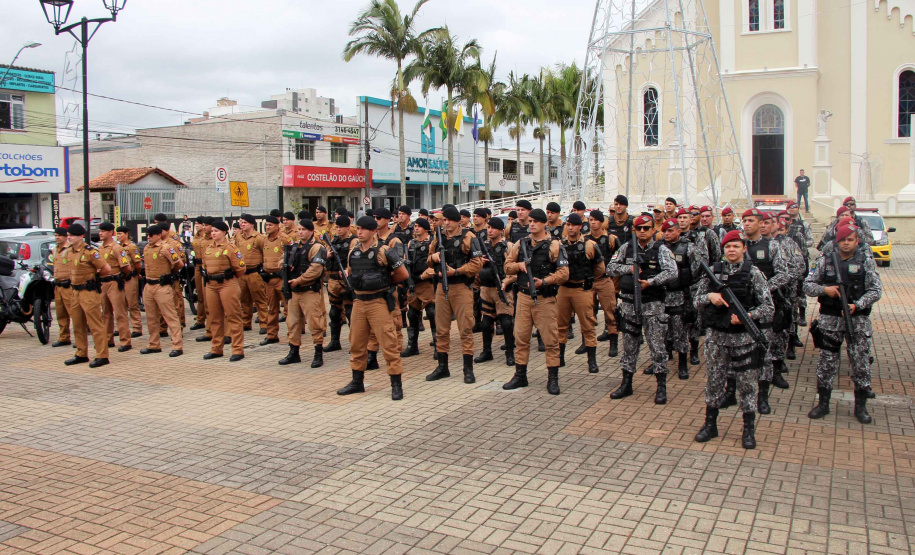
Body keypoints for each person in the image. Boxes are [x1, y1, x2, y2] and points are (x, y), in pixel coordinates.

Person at [694, 230, 774, 450]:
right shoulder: (713, 272)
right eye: (728, 246)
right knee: (714, 382)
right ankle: (710, 424)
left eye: (736, 246)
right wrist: (709, 297)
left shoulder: (754, 274)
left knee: (747, 385)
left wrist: (749, 316)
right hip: (717, 339)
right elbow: (696, 300)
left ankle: (748, 429)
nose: (731, 250)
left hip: (744, 340)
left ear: (743, 249)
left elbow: (768, 307)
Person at [804, 223, 882, 424]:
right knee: (827, 363)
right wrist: (825, 290)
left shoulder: (866, 261)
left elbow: (876, 290)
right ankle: (823, 403)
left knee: (861, 364)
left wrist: (858, 304)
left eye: (850, 240)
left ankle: (861, 406)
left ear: (857, 241)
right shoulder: (825, 260)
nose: (846, 243)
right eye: (842, 240)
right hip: (830, 319)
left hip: (857, 320)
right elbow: (808, 285)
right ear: (836, 242)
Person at [336, 216, 410, 401]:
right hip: (359, 301)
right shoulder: (353, 252)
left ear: (373, 231)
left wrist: (384, 283)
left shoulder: (384, 251)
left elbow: (402, 274)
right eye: (358, 228)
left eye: (363, 229)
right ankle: (357, 382)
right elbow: (350, 271)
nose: (359, 232)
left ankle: (396, 384)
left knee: (388, 343)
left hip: (378, 301)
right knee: (356, 343)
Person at [607, 214, 677, 403]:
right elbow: (610, 267)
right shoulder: (626, 248)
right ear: (634, 230)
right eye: (639, 228)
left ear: (654, 229)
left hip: (652, 305)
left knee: (657, 347)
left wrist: (652, 282)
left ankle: (661, 386)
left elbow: (672, 271)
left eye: (647, 228)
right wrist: (628, 269)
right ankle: (626, 383)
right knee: (629, 347)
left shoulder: (660, 249)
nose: (643, 231)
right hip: (629, 304)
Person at [503, 208, 569, 394]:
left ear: (544, 224)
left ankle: (553, 378)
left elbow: (564, 273)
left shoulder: (554, 246)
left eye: (536, 221)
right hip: (523, 297)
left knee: (550, 340)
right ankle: (520, 375)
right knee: (521, 338)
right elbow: (507, 266)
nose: (531, 224)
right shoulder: (520, 244)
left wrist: (545, 281)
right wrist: (519, 265)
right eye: (530, 221)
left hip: (545, 299)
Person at [741, 208, 792, 414]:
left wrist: (762, 288)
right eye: (744, 220)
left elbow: (783, 274)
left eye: (751, 220)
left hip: (764, 308)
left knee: (764, 354)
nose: (747, 224)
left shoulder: (771, 246)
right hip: (742, 307)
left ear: (761, 223)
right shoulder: (736, 246)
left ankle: (763, 397)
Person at [427, 205, 483, 384]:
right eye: (444, 220)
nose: (446, 223)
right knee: (441, 329)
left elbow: (477, 264)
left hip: (461, 287)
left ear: (458, 221)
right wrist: (434, 258)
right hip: (442, 288)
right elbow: (428, 258)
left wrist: (457, 271)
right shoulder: (439, 237)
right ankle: (443, 367)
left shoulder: (468, 237)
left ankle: (468, 369)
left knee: (465, 329)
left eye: (449, 220)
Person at [279, 219, 328, 367]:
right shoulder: (294, 247)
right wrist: (287, 265)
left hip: (309, 291)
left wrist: (299, 280)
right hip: (294, 292)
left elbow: (315, 269)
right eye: (299, 229)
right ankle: (294, 352)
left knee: (315, 323)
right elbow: (281, 262)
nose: (300, 232)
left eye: (304, 229)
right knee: (292, 323)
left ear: (311, 231)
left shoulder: (317, 247)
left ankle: (318, 353)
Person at [557, 213, 602, 373]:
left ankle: (592, 361)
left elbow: (600, 268)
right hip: (563, 289)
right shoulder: (559, 245)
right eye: (567, 225)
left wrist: (589, 282)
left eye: (573, 225)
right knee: (561, 326)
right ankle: (560, 358)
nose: (570, 228)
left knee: (588, 325)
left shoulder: (590, 245)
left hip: (582, 289)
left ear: (580, 227)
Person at [64, 223, 111, 367]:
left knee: (95, 324)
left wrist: (94, 279)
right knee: (77, 324)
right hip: (75, 291)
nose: (69, 237)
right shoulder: (69, 252)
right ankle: (81, 353)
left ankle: (102, 355)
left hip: (88, 292)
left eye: (71, 235)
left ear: (81, 236)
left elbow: (106, 269)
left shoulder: (90, 252)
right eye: (68, 235)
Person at [660, 218, 701, 379]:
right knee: (661, 332)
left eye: (670, 231)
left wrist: (691, 296)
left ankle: (683, 364)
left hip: (680, 296)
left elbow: (697, 272)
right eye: (665, 231)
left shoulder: (689, 248)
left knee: (680, 333)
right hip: (662, 296)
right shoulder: (660, 248)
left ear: (678, 231)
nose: (667, 234)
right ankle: (661, 360)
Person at [201, 220, 246, 361]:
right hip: (211, 284)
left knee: (233, 316)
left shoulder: (230, 248)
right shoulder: (208, 247)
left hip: (227, 284)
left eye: (216, 231)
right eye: (212, 231)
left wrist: (229, 279)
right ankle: (216, 348)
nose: (213, 233)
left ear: (224, 232)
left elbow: (241, 268)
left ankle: (237, 349)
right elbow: (204, 266)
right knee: (214, 317)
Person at [474, 216, 516, 366]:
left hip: (503, 289)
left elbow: (514, 269)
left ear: (501, 230)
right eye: (488, 228)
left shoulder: (508, 246)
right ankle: (487, 351)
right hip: (486, 289)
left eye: (493, 228)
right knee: (485, 323)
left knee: (506, 322)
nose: (490, 230)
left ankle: (510, 353)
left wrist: (507, 281)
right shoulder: (482, 246)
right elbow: (473, 266)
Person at [140, 224, 184, 358]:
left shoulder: (166, 248)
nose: (149, 238)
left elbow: (179, 264)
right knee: (151, 317)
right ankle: (154, 344)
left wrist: (169, 274)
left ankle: (177, 345)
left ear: (159, 235)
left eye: (151, 235)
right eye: (147, 235)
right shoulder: (147, 248)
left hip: (162, 285)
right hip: (149, 285)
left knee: (170, 316)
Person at [402, 217, 436, 358]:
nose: (416, 228)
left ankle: (438, 345)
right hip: (414, 282)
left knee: (432, 313)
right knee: (412, 314)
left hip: (427, 283)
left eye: (419, 226)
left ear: (425, 228)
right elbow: (406, 260)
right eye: (415, 226)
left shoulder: (431, 242)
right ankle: (412, 346)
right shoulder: (411, 243)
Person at [97, 222, 133, 353]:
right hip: (102, 283)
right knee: (105, 313)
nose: (100, 233)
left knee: (120, 313)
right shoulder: (100, 249)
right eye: (100, 231)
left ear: (110, 233)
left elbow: (126, 267)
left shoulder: (117, 248)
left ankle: (125, 341)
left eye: (103, 231)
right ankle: (108, 339)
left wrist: (121, 278)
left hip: (114, 282)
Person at [588, 210, 620, 356]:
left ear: (601, 222)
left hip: (605, 279)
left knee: (610, 312)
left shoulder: (610, 239)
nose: (593, 222)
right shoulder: (585, 239)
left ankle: (613, 343)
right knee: (587, 314)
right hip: (588, 281)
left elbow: (618, 257)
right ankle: (586, 343)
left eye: (596, 220)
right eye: (591, 220)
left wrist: (612, 275)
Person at [259, 216, 292, 346]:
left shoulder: (284, 239)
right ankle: (271, 335)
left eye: (270, 225)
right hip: (269, 278)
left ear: (277, 226)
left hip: (281, 278)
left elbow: (290, 257)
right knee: (272, 309)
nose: (268, 227)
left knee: (288, 308)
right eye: (266, 225)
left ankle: (292, 336)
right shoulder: (264, 240)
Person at [234, 214, 270, 334]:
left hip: (255, 273)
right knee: (244, 300)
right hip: (242, 273)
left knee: (259, 299)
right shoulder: (238, 237)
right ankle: (246, 322)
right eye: (241, 222)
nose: (242, 224)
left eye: (244, 222)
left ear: (251, 224)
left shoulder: (259, 238)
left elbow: (265, 253)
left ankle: (264, 323)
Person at [324, 216, 355, 352]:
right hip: (333, 280)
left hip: (346, 281)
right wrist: (328, 255)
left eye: (341, 227)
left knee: (350, 312)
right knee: (334, 313)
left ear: (348, 227)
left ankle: (355, 343)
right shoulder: (334, 240)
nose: (338, 230)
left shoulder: (353, 241)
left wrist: (348, 270)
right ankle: (334, 341)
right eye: (337, 227)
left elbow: (352, 258)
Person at [785, 202, 813, 328]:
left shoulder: (803, 225)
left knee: (800, 290)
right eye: (790, 207)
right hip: (787, 263)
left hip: (801, 261)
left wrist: (800, 246)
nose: (793, 209)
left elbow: (811, 241)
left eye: (795, 207)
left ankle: (802, 314)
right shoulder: (784, 225)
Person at [116, 226, 144, 338]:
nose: (118, 236)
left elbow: (137, 263)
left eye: (120, 233)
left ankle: (137, 327)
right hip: (120, 278)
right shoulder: (117, 247)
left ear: (126, 234)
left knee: (132, 303)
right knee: (120, 304)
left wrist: (136, 273)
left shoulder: (132, 247)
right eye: (117, 234)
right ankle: (121, 327)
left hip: (130, 277)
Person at [49, 227, 73, 347]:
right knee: (60, 313)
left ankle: (80, 338)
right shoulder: (54, 250)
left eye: (60, 235)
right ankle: (64, 337)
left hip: (68, 285)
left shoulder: (70, 249)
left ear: (65, 237)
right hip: (58, 285)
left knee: (74, 313)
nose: (57, 237)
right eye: (56, 235)